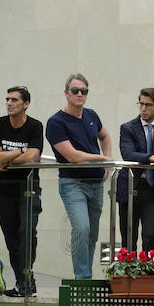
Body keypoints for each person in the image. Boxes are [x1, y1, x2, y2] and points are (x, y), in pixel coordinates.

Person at [46, 73, 113, 280]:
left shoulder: (91, 115)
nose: (80, 94)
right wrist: (101, 158)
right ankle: (82, 280)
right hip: (72, 183)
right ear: (66, 93)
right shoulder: (56, 122)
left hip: (96, 183)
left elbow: (105, 136)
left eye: (84, 91)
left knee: (91, 234)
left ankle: (87, 277)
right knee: (82, 229)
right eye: (75, 90)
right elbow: (72, 156)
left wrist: (108, 162)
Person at [0, 86, 43, 297]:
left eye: (14, 100)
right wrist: (21, 151)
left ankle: (27, 279)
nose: (9, 103)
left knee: (28, 233)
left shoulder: (35, 126)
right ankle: (24, 283)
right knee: (12, 239)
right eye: (7, 99)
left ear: (26, 104)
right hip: (4, 190)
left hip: (28, 189)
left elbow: (32, 157)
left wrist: (9, 155)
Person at [115, 88, 154, 253]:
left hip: (153, 189)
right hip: (130, 187)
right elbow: (128, 154)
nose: (143, 108)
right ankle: (128, 272)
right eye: (141, 104)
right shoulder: (127, 127)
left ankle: (147, 273)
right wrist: (151, 158)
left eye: (148, 105)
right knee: (129, 235)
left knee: (150, 234)